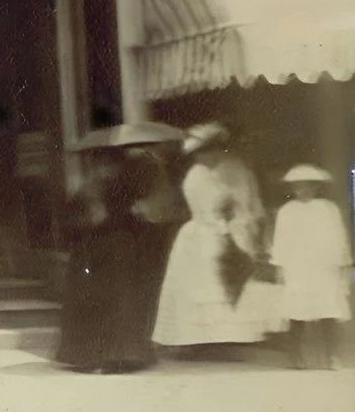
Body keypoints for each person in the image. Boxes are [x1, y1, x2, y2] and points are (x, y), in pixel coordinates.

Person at [52, 147, 178, 374]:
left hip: (110, 255)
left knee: (113, 306)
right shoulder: (99, 187)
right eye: (102, 164)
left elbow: (85, 221)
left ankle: (111, 357)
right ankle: (108, 356)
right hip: (104, 254)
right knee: (107, 306)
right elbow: (78, 220)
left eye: (108, 164)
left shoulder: (106, 186)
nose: (105, 169)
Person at [152, 123, 274, 356]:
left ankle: (222, 339)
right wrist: (219, 225)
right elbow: (203, 207)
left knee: (225, 282)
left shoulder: (225, 172)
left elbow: (241, 204)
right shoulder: (196, 175)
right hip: (204, 232)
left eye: (213, 151)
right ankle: (199, 340)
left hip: (224, 229)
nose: (209, 157)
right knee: (204, 284)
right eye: (204, 153)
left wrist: (234, 218)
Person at [269, 164, 351, 369]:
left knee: (328, 311)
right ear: (292, 189)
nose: (302, 191)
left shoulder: (328, 208)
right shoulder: (287, 211)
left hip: (323, 265)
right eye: (297, 187)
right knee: (296, 311)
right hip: (297, 265)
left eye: (307, 186)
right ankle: (295, 357)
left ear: (316, 188)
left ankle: (332, 356)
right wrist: (280, 266)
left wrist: (343, 264)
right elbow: (280, 240)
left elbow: (339, 238)